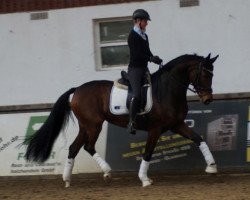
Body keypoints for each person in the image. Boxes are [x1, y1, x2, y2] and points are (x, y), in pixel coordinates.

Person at [127, 9, 163, 135]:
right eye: (145, 21)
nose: (147, 23)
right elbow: (137, 55)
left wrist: (155, 59)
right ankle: (132, 122)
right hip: (135, 69)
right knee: (137, 94)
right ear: (138, 21)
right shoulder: (132, 36)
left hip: (144, 68)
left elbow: (147, 52)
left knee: (154, 90)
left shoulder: (144, 35)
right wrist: (149, 58)